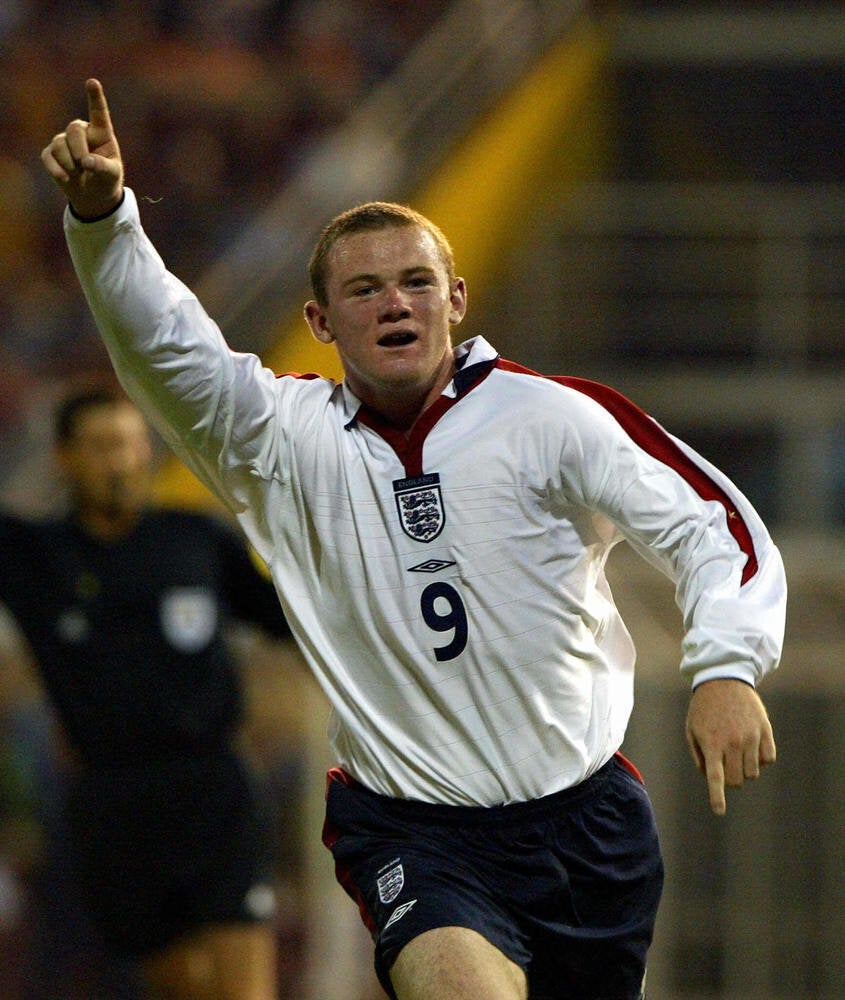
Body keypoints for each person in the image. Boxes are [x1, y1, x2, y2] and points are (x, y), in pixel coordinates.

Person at [41, 79, 786, 1000]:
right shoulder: (279, 440)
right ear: (319, 321)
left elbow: (708, 520)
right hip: (414, 834)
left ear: (455, 298)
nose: (394, 303)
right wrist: (105, 219)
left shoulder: (551, 417)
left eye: (416, 282)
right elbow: (165, 346)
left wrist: (725, 666)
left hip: (588, 826)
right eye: (363, 289)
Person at [0, 386, 294, 1000]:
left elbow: (288, 622)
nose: (122, 461)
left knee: (244, 990)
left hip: (213, 792)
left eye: (133, 444)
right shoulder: (34, 558)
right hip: (115, 807)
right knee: (183, 988)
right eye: (103, 446)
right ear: (64, 457)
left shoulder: (197, 539)